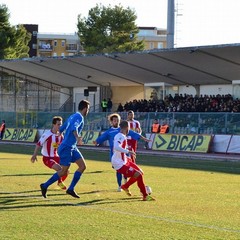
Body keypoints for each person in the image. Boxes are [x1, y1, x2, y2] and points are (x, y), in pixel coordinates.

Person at [40, 100, 90, 199]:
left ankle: (70, 189)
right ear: (85, 109)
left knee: (82, 166)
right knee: (63, 171)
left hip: (72, 147)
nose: (88, 111)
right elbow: (73, 127)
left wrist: (60, 132)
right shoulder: (79, 117)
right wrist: (77, 137)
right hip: (66, 147)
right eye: (88, 109)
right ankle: (44, 185)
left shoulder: (73, 116)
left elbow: (65, 125)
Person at [94, 113, 150, 192]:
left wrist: (144, 138)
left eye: (117, 120)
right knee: (119, 170)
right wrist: (96, 141)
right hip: (115, 155)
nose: (116, 122)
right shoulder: (109, 132)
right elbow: (101, 138)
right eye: (114, 120)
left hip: (125, 155)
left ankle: (125, 184)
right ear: (111, 122)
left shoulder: (122, 130)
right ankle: (120, 185)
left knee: (128, 171)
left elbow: (133, 133)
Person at [112, 120, 155, 201]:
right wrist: (128, 151)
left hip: (124, 160)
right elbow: (116, 147)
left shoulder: (122, 135)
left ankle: (126, 186)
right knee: (138, 174)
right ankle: (145, 195)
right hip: (119, 163)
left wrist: (127, 155)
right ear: (127, 127)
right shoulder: (120, 136)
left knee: (140, 172)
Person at [31, 116, 67, 190]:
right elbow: (38, 144)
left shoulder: (61, 136)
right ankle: (50, 184)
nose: (60, 126)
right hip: (47, 158)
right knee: (60, 169)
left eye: (61, 124)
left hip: (56, 157)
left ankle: (59, 182)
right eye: (58, 124)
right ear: (53, 125)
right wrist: (34, 155)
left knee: (66, 170)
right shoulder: (47, 134)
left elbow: (62, 146)